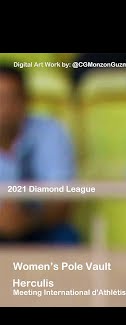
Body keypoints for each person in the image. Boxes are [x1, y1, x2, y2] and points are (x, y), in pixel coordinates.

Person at [0, 65, 79, 244]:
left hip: (39, 226)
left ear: (26, 101)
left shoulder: (50, 131)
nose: (5, 108)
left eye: (12, 98)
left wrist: (28, 221)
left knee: (64, 238)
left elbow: (63, 202)